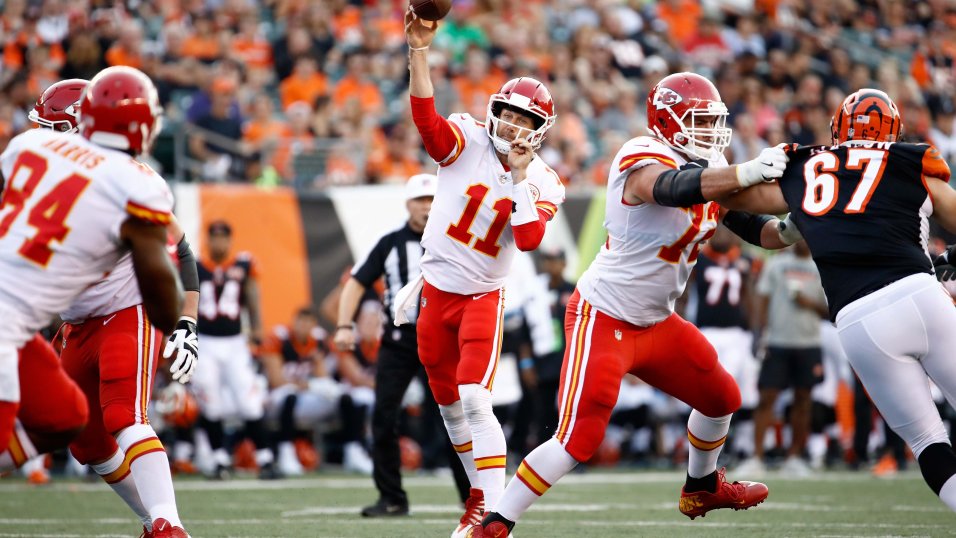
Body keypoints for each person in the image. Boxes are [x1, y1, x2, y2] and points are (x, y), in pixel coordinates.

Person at [474, 71, 795, 537]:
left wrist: (799, 222)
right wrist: (746, 171)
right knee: (578, 439)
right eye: (700, 122)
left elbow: (755, 226)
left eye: (712, 122)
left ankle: (700, 487)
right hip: (604, 315)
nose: (709, 133)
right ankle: (496, 524)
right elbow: (669, 188)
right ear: (668, 119)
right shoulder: (640, 154)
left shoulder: (713, 165)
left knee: (721, 397)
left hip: (657, 322)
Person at [719, 88, 956, 511]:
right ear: (894, 131)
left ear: (836, 129)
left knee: (926, 441)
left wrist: (734, 178)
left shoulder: (808, 166)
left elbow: (738, 201)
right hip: (919, 295)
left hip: (859, 319)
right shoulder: (909, 162)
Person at [0, 66, 186, 537]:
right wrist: (176, 319)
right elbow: (162, 278)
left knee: (66, 417)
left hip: (61, 320)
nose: (37, 131)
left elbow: (180, 249)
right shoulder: (132, 183)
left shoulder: (24, 150)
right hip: (18, 323)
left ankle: (161, 524)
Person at [404, 9, 568, 537]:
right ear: (495, 111)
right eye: (509, 115)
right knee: (449, 404)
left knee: (475, 396)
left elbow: (527, 239)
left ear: (540, 131)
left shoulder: (544, 179)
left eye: (526, 120)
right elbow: (427, 124)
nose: (514, 127)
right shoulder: (467, 139)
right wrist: (420, 52)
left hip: (481, 296)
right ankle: (478, 497)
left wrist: (518, 176)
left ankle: (494, 516)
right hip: (435, 289)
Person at [335, 173, 469, 516]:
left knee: (454, 418)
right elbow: (356, 282)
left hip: (441, 339)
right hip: (399, 340)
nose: (426, 206)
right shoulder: (390, 243)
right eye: (420, 200)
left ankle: (472, 497)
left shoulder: (456, 238)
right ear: (408, 205)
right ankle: (392, 497)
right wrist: (344, 324)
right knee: (383, 415)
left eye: (431, 199)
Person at [191, 220, 277, 479]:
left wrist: (258, 327)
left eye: (223, 238)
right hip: (204, 341)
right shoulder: (194, 266)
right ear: (208, 240)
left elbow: (252, 294)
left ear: (230, 240)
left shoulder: (243, 265)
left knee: (249, 400)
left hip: (235, 341)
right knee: (210, 402)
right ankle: (219, 460)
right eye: (214, 237)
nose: (219, 242)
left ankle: (265, 459)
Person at [738, 240, 828, 476]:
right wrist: (760, 334)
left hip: (808, 342)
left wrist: (808, 303)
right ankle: (756, 457)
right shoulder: (777, 264)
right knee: (767, 397)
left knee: (803, 399)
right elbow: (762, 300)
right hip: (777, 341)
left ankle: (794, 457)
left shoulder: (821, 266)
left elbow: (830, 309)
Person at [260, 306, 368, 476]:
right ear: (294, 322)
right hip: (274, 397)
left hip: (304, 395)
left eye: (308, 323)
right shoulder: (279, 338)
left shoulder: (318, 341)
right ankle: (285, 450)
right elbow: (276, 380)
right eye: (300, 322)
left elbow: (323, 377)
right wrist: (305, 384)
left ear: (313, 325)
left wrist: (317, 364)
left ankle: (353, 449)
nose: (303, 327)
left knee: (345, 398)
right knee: (289, 395)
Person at [690, 226, 759, 462]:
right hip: (706, 332)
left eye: (728, 230)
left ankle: (742, 445)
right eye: (718, 230)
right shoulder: (699, 259)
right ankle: (706, 446)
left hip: (738, 334)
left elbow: (750, 298)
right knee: (709, 390)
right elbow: (683, 296)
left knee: (744, 390)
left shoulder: (744, 260)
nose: (723, 235)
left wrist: (755, 333)